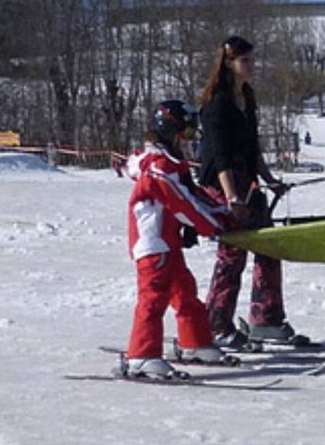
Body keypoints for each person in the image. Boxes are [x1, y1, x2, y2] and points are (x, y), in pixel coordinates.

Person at [198, 35, 305, 349]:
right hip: (222, 183)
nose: (252, 65)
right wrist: (232, 197)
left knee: (268, 246)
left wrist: (269, 180)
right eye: (245, 60)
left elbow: (252, 147)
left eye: (252, 59)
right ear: (229, 64)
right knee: (233, 255)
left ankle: (266, 319)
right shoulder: (217, 102)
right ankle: (215, 325)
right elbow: (220, 154)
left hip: (247, 180)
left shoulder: (247, 96)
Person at [124, 100, 232, 379]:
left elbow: (194, 195)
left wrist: (224, 211)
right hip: (152, 242)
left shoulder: (170, 165)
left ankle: (194, 342)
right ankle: (141, 355)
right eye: (185, 130)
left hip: (168, 240)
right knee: (153, 297)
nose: (190, 135)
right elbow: (183, 204)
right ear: (171, 129)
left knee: (184, 289)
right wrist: (213, 226)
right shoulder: (160, 168)